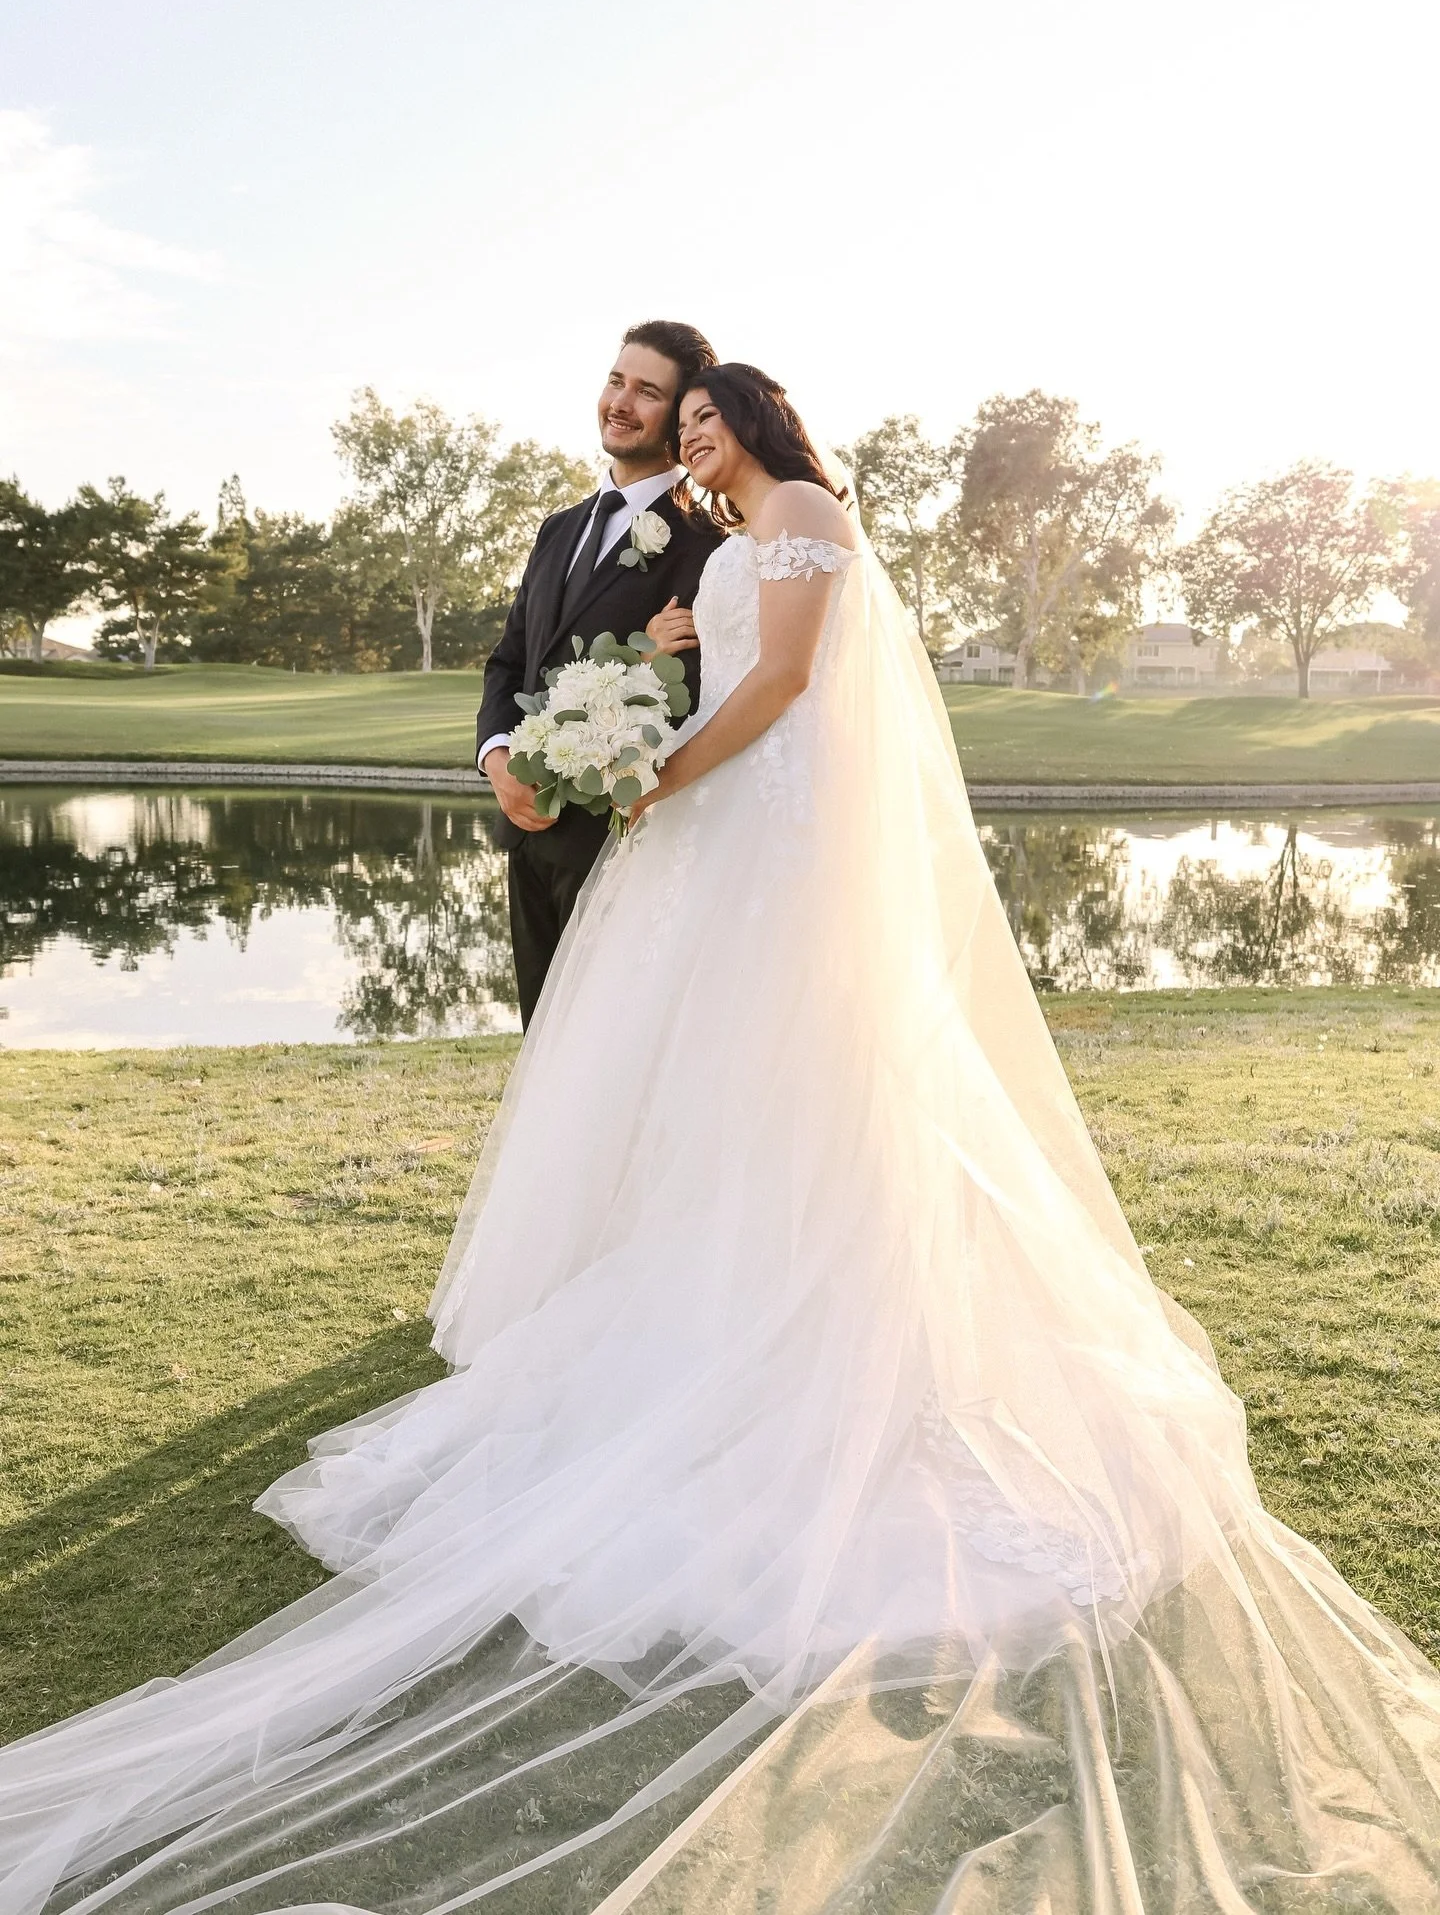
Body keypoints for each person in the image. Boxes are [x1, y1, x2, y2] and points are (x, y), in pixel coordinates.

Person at [7, 365, 1440, 1915]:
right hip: (721, 826)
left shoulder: (811, 512)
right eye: (676, 425)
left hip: (775, 833)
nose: (690, 439)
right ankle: (713, 1304)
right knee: (710, 1091)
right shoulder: (727, 545)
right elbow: (725, 655)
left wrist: (662, 764)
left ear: (762, 424)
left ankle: (830, 1336)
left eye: (708, 420)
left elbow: (794, 690)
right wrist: (663, 665)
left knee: (800, 1077)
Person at [476, 319, 723, 1025]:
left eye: (647, 391)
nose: (621, 400)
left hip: (624, 845)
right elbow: (508, 661)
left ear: (678, 419)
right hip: (525, 834)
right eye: (617, 379)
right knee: (541, 1051)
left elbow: (701, 697)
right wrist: (498, 761)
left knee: (609, 1053)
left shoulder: (708, 548)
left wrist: (644, 662)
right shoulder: (559, 527)